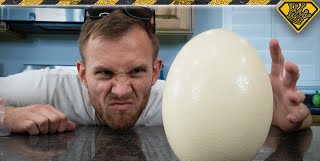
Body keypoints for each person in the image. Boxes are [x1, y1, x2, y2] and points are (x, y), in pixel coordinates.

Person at [0, 6, 312, 135]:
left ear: (156, 71)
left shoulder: (181, 103)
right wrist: (7, 116)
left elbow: (247, 123)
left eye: (136, 72)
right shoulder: (47, 86)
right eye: (104, 74)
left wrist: (273, 116)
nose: (121, 90)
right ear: (81, 74)